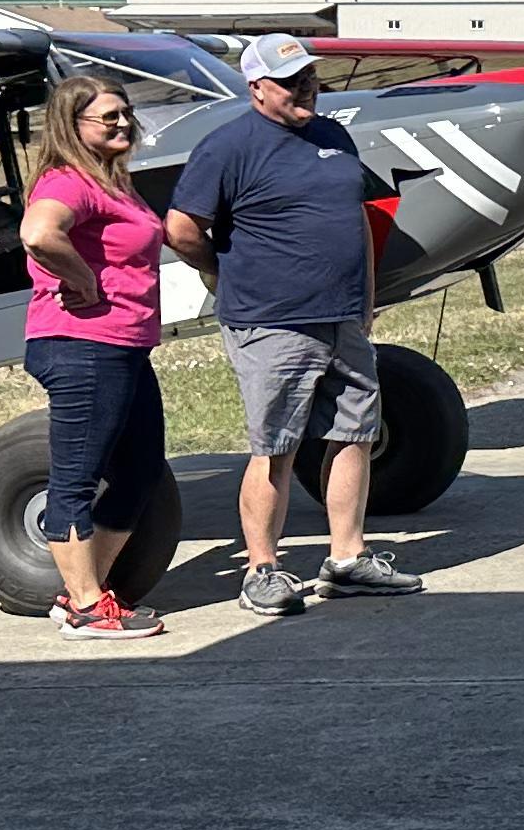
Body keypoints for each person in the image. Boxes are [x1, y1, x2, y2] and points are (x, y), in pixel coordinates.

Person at [164, 32, 425, 614]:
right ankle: (262, 570)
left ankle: (347, 558)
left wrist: (367, 295)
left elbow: (355, 216)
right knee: (275, 446)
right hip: (272, 322)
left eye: (309, 77)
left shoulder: (334, 136)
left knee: (355, 433)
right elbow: (181, 226)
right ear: (256, 88)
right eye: (290, 81)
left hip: (343, 317)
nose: (306, 88)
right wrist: (222, 273)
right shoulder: (228, 147)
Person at [18, 75, 169, 638]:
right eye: (108, 117)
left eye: (125, 113)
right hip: (83, 345)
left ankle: (86, 592)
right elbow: (38, 234)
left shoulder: (112, 184)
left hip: (124, 345)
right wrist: (81, 278)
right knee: (77, 478)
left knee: (139, 471)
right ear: (72, 126)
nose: (123, 123)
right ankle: (84, 609)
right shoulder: (66, 181)